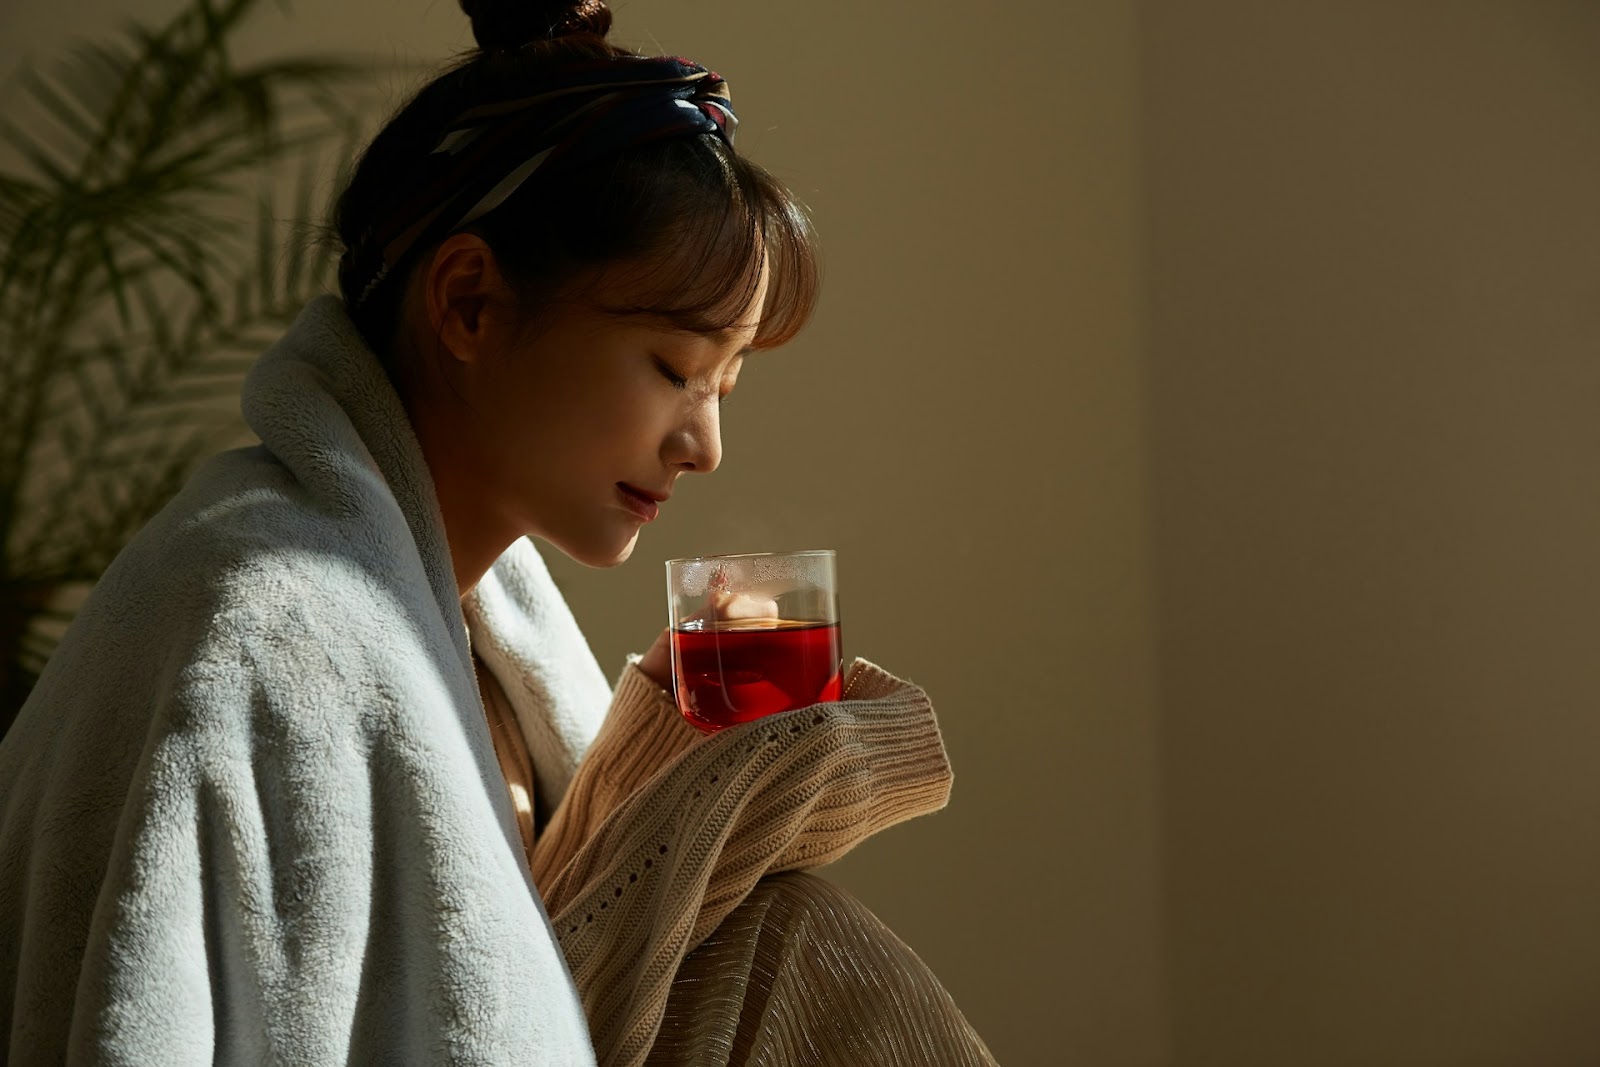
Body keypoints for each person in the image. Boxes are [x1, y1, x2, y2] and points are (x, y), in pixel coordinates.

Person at [0, 0, 998, 1063]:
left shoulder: (458, 633)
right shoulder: (265, 633)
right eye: (671, 369)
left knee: (779, 931)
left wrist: (666, 764)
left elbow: (548, 974)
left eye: (724, 386)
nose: (702, 445)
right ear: (469, 302)